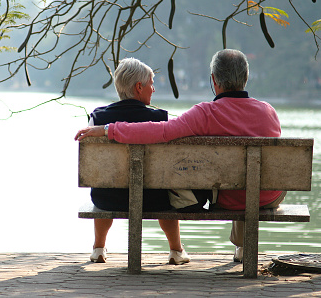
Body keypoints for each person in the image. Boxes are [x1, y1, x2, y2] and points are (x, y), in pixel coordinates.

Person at [75, 49, 286, 263]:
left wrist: (109, 129)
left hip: (228, 198)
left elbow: (161, 131)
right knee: (250, 179)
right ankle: (242, 247)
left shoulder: (205, 113)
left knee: (234, 186)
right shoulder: (268, 111)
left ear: (213, 80)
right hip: (268, 195)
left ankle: (101, 245)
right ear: (246, 78)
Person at [86, 57, 190, 265]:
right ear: (139, 87)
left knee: (104, 181)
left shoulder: (96, 118)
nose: (153, 89)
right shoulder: (160, 118)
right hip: (153, 198)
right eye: (151, 84)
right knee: (165, 190)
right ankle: (176, 250)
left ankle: (98, 248)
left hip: (108, 198)